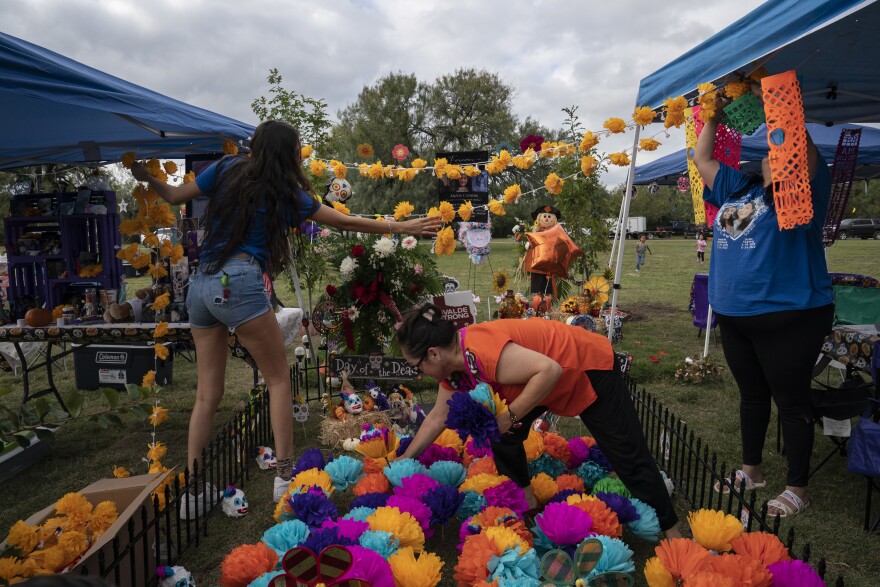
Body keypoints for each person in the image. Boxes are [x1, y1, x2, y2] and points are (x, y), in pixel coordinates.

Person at [131, 120, 441, 515]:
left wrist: (145, 176)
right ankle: (284, 477)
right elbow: (346, 222)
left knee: (207, 395)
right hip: (240, 282)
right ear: (289, 152)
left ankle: (192, 494)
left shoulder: (226, 168)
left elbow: (175, 196)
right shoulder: (287, 193)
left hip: (202, 284)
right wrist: (403, 226)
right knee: (278, 380)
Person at [395, 303, 681, 538]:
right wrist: (405, 460)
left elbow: (549, 370)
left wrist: (509, 417)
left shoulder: (480, 352)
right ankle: (527, 500)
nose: (419, 374)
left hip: (586, 366)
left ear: (433, 353)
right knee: (500, 434)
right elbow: (437, 417)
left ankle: (672, 531)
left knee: (626, 454)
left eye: (417, 366)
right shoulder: (454, 368)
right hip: (541, 379)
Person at [693, 88, 833, 518]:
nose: (771, 155)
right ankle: (751, 471)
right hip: (735, 313)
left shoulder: (802, 192)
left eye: (780, 151)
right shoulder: (742, 186)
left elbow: (801, 153)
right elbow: (703, 160)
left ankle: (797, 487)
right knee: (751, 396)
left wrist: (779, 105)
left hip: (790, 313)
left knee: (791, 401)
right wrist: (712, 117)